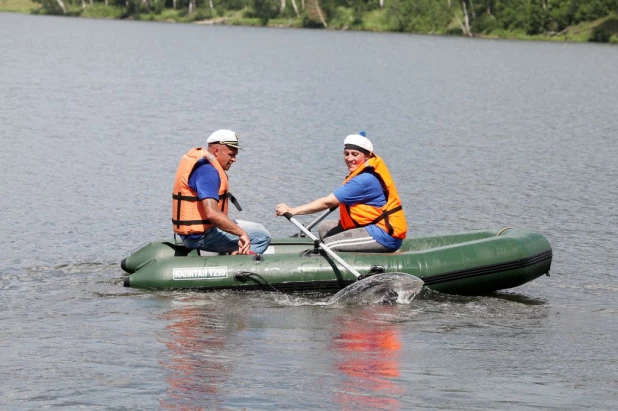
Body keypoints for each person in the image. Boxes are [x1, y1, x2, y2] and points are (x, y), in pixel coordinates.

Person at [275, 132, 407, 252]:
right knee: (325, 227)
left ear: (367, 156)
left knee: (327, 246)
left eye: (355, 154)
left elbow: (327, 202)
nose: (349, 159)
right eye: (346, 154)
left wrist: (293, 210)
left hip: (383, 235)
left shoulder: (364, 180)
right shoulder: (362, 174)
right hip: (369, 224)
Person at [172, 129, 271, 255]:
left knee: (259, 228)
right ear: (216, 151)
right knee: (261, 237)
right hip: (200, 236)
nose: (234, 159)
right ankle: (239, 270)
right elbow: (212, 213)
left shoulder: (204, 165)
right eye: (231, 154)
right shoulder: (208, 172)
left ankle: (234, 255)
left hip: (195, 232)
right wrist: (241, 233)